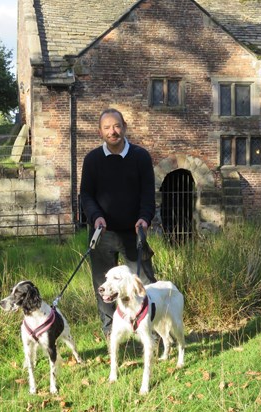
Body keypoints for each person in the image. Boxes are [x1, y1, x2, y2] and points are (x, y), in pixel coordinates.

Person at [80, 108, 157, 338]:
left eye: (116, 126)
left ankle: (151, 331)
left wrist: (144, 217)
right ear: (100, 132)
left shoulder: (140, 156)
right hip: (103, 234)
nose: (112, 131)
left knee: (145, 283)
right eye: (107, 128)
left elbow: (147, 194)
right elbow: (86, 196)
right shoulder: (92, 160)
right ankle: (111, 334)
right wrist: (96, 217)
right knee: (104, 290)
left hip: (134, 232)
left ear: (124, 127)